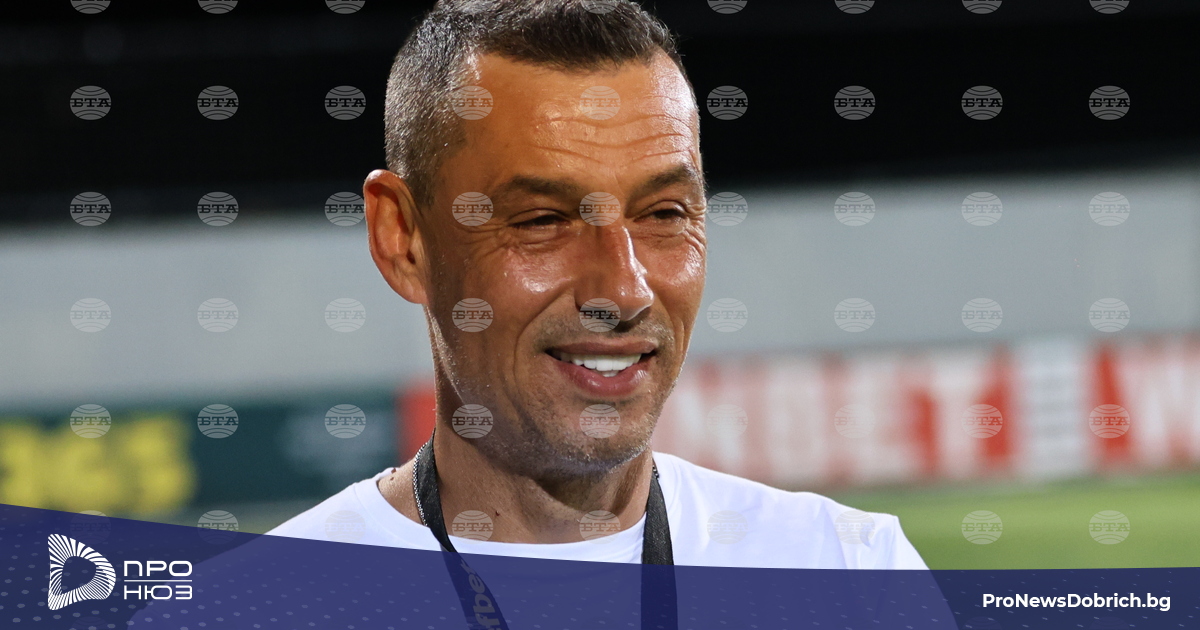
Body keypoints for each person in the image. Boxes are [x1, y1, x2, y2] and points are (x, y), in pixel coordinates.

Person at [270, 0, 928, 571]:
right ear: (403, 239)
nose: (624, 290)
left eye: (663, 213)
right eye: (542, 221)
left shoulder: (851, 570)